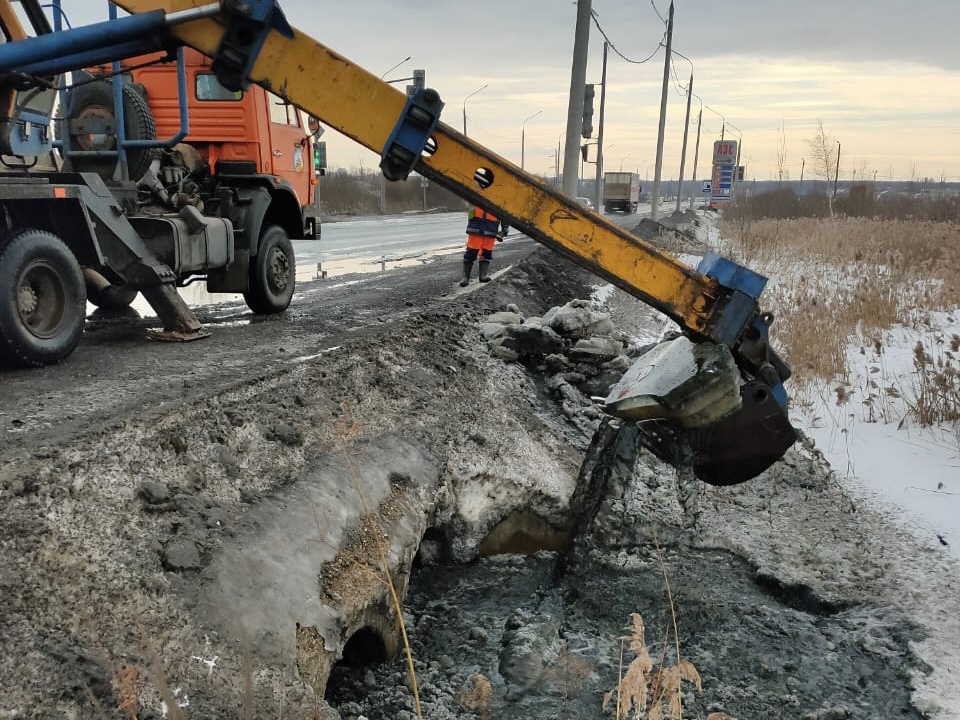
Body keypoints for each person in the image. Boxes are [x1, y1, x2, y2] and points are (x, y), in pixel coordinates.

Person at [459, 204, 508, 286]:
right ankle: (465, 277)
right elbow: (469, 204)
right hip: (476, 225)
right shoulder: (478, 195)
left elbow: (504, 211)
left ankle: (483, 275)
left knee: (487, 252)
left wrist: (505, 227)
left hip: (491, 227)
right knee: (471, 251)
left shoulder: (501, 198)